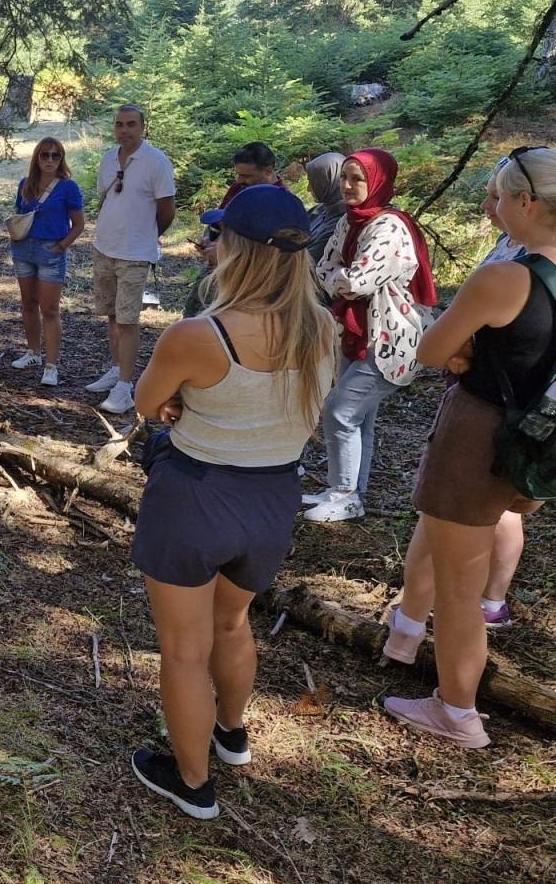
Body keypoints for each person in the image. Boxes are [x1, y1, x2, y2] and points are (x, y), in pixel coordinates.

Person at [128, 186, 337, 820]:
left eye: (220, 236)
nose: (209, 244)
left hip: (195, 494)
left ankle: (193, 784)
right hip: (273, 495)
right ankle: (232, 733)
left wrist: (176, 403)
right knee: (232, 622)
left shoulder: (201, 334)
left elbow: (145, 401)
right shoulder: (321, 328)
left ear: (239, 250)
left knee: (183, 650)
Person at [381, 148, 556, 749]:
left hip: (477, 435)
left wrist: (466, 350)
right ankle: (404, 631)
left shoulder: (506, 276)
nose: (495, 207)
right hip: (535, 439)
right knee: (443, 534)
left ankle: (456, 709)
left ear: (526, 204)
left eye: (502, 197)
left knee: (460, 585)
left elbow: (431, 350)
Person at [305, 148, 437, 522]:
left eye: (357, 179)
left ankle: (345, 492)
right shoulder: (350, 221)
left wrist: (338, 280)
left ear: (377, 182)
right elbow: (325, 268)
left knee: (340, 410)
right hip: (357, 331)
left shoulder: (389, 226)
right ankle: (346, 491)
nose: (347, 186)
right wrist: (338, 280)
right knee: (359, 417)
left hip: (389, 337)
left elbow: (358, 282)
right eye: (344, 178)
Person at [87, 104, 176, 414]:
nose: (124, 130)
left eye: (131, 124)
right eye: (119, 124)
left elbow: (167, 209)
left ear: (142, 127)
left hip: (135, 253)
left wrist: (148, 236)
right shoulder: (108, 159)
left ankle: (126, 386)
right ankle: (116, 368)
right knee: (111, 314)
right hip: (105, 247)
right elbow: (107, 197)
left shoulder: (156, 161)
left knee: (128, 320)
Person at [9, 137, 84, 385]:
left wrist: (60, 246)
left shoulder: (68, 187)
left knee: (49, 309)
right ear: (37, 158)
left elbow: (79, 224)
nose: (50, 160)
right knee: (28, 303)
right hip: (24, 249)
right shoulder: (25, 184)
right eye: (45, 155)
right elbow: (20, 214)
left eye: (55, 155)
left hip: (51, 250)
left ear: (61, 158)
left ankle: (51, 365)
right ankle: (33, 352)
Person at [183, 144, 287, 319]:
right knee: (195, 316)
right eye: (237, 174)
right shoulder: (239, 188)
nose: (239, 180)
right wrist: (209, 239)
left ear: (268, 171)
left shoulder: (283, 203)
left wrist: (228, 254)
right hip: (217, 269)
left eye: (246, 176)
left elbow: (270, 255)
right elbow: (218, 221)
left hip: (248, 283)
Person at [305, 151, 347, 263]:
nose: (308, 189)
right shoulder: (320, 210)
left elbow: (309, 263)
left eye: (313, 182)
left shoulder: (341, 224)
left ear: (328, 180)